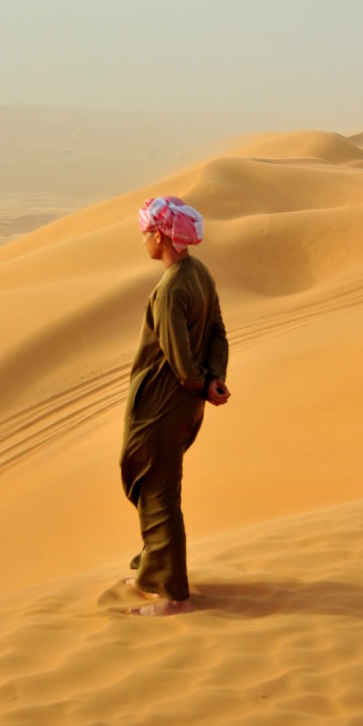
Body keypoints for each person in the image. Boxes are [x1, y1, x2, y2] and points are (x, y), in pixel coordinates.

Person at [120, 195, 230, 616]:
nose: (144, 238)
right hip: (182, 406)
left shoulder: (171, 289)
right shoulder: (198, 273)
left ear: (163, 235)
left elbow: (181, 362)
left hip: (162, 407)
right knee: (153, 488)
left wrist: (201, 382)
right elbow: (218, 330)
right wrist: (215, 379)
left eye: (148, 231)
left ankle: (173, 595)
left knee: (158, 491)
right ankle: (154, 570)